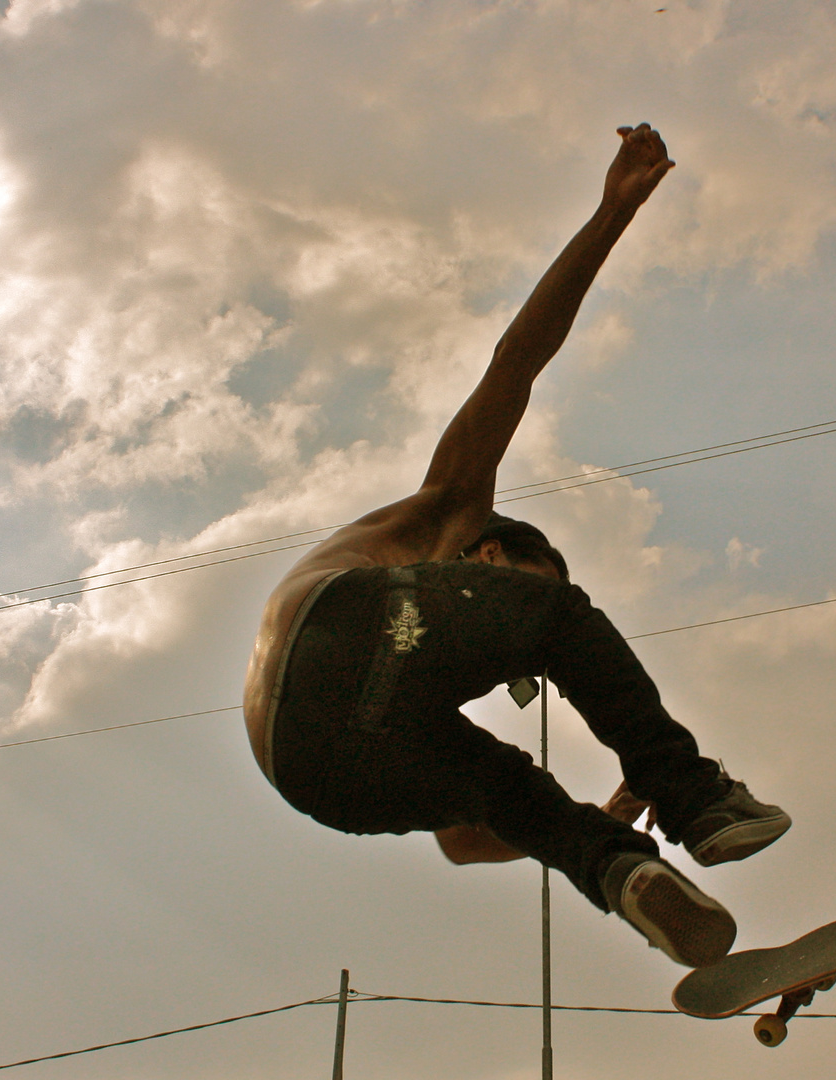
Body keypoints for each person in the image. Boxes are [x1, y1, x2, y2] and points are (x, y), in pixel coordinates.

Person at [242, 124, 790, 968]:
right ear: (489, 558)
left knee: (508, 789)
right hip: (333, 622)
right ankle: (696, 797)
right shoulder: (451, 510)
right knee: (558, 617)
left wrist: (599, 826)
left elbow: (465, 843)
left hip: (310, 775)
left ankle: (620, 876)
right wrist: (612, 213)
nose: (503, 672)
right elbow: (517, 361)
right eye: (513, 657)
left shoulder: (418, 686)